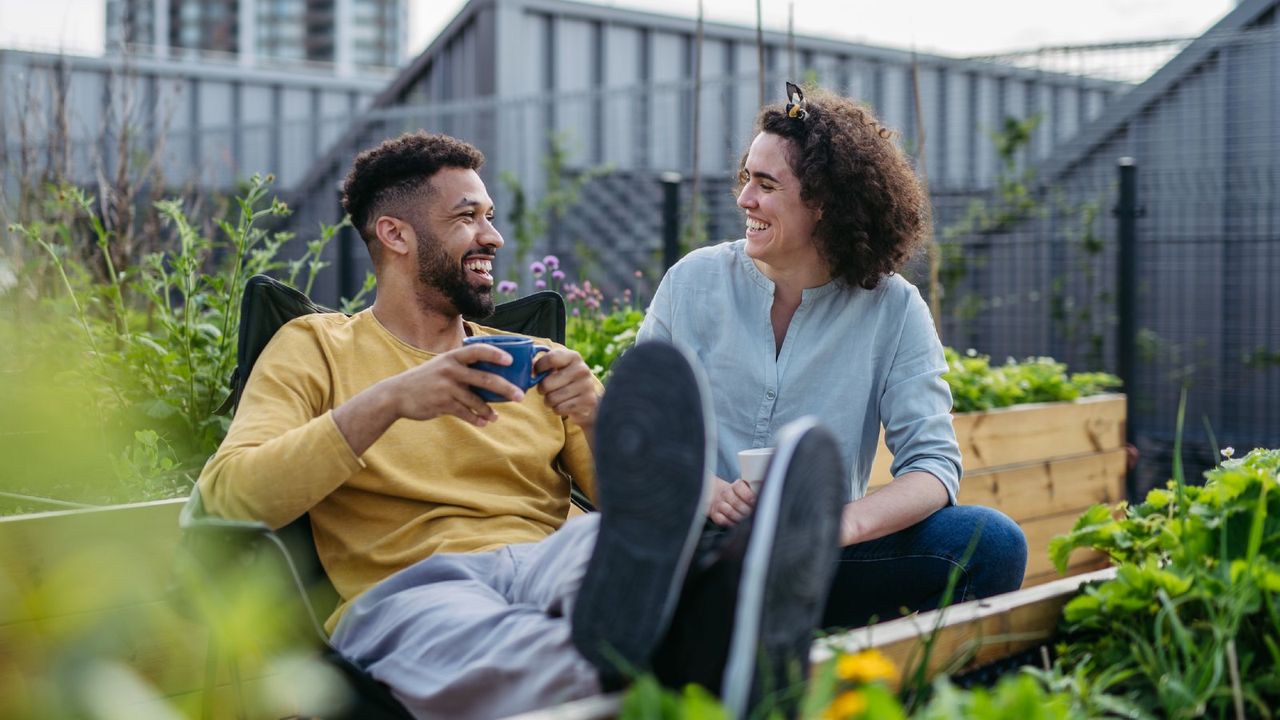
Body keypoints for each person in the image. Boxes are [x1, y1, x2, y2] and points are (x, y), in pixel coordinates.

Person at [197, 131, 847, 719]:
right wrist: (392, 400)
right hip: (416, 585)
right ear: (395, 235)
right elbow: (229, 496)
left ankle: (708, 595)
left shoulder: (529, 360)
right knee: (516, 652)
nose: (493, 236)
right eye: (467, 218)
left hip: (554, 556)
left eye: (491, 216)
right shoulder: (315, 346)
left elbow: (631, 512)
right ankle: (711, 641)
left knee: (608, 552)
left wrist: (594, 409)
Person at [638, 85, 1028, 631]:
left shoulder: (894, 308)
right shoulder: (692, 282)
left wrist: (837, 526)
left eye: (766, 184)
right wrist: (705, 492)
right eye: (745, 177)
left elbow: (934, 470)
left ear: (823, 204)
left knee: (993, 544)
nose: (744, 198)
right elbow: (637, 428)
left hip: (820, 562)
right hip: (695, 548)